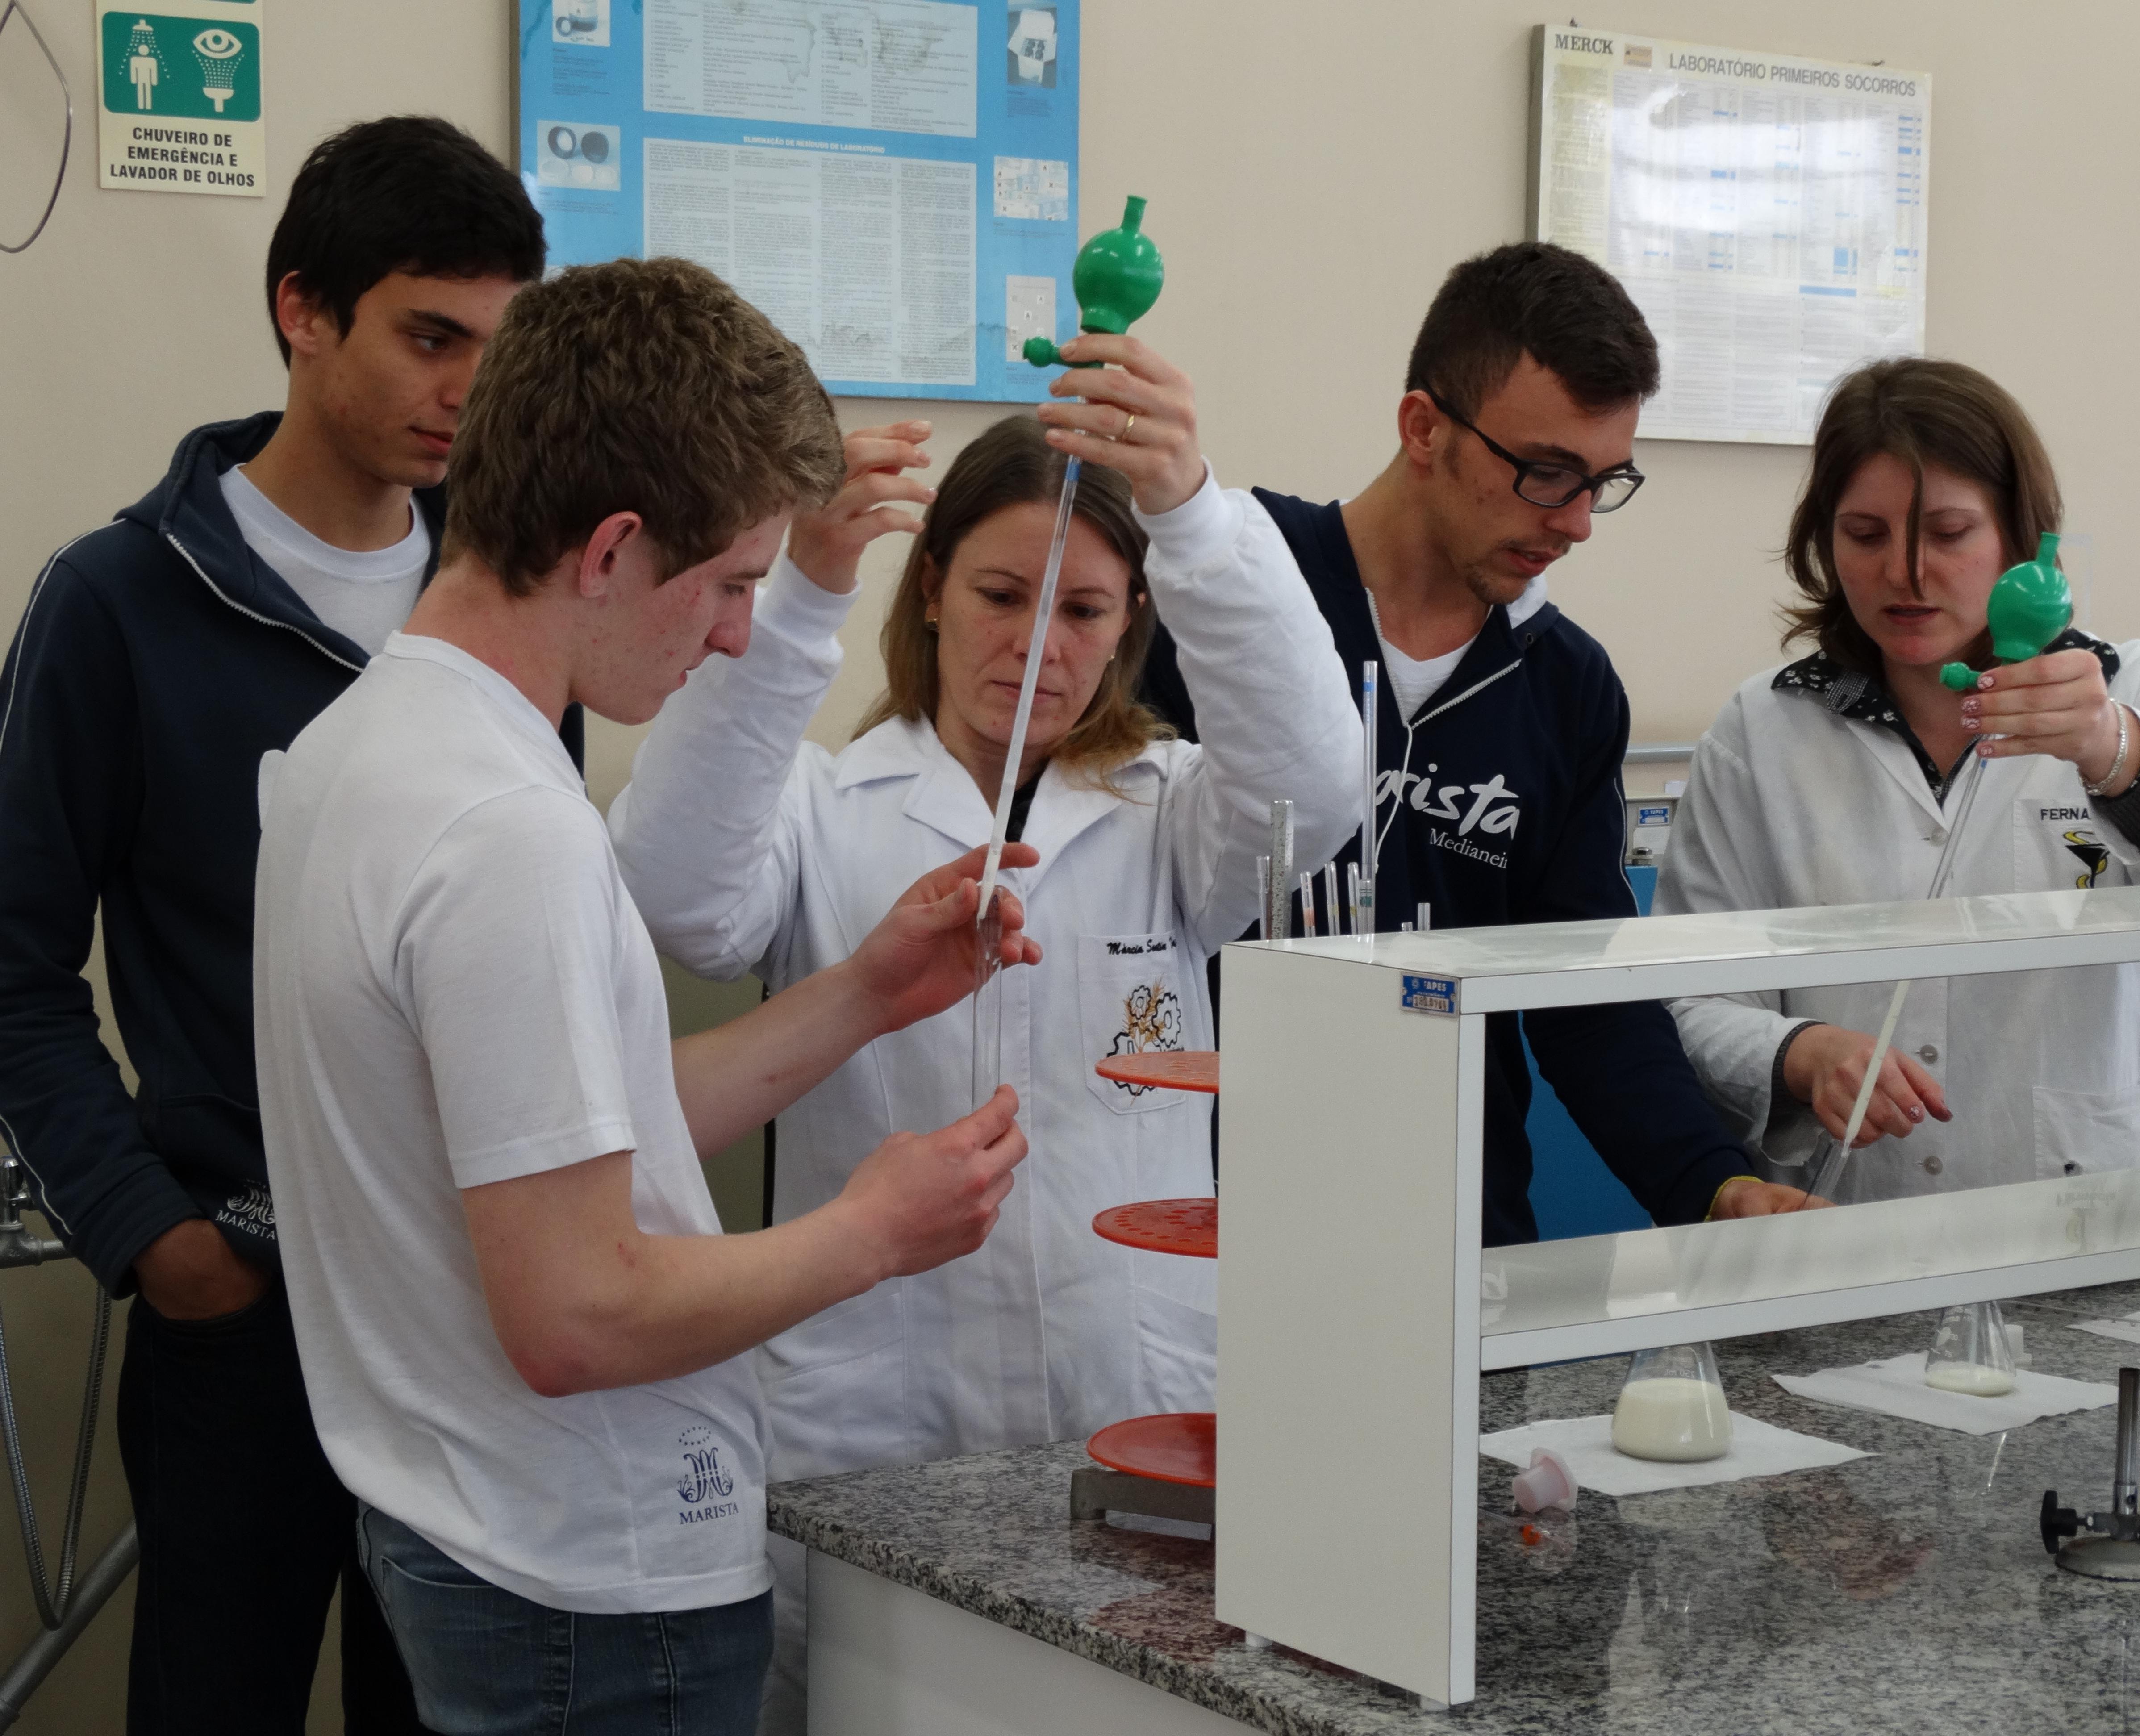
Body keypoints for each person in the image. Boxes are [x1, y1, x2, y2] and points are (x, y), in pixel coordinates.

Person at [251, 254, 1038, 1731]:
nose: (738, 634)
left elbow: (556, 1132)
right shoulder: (508, 834)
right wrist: (872, 1230)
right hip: (588, 1589)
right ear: (611, 548)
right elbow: (578, 1312)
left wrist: (866, 991)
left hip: (469, 1532)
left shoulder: (362, 744)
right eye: (733, 584)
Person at [609, 343, 1364, 1722]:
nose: (1040, 644)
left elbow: (1314, 790)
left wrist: (1192, 510)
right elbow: (672, 894)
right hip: (872, 1422)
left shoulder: (1174, 817)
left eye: (1085, 609)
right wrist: (802, 595)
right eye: (1003, 596)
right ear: (934, 594)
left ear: (1132, 626)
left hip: (1121, 1404)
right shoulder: (825, 810)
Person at [0, 115, 557, 1732]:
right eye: (429, 337)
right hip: (242, 1303)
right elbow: (14, 966)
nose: (468, 391)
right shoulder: (117, 600)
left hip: (464, 1306)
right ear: (301, 310)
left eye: (497, 348)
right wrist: (155, 1238)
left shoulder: (508, 595)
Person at [1137, 241, 1815, 1247]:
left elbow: (1586, 998)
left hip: (1454, 1238)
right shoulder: (1228, 598)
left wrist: (1712, 1185)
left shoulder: (1567, 687)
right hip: (1203, 1224)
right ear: (1424, 427)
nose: (1578, 524)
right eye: (1547, 474)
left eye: (1603, 481)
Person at [1655, 357, 2140, 1198]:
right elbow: (1687, 997)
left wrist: (2113, 749)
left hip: (2074, 1205)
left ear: (2020, 536)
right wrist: (1796, 1053)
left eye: (1949, 533)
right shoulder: (1764, 730)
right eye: (1866, 535)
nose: (1907, 573)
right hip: (1842, 1206)